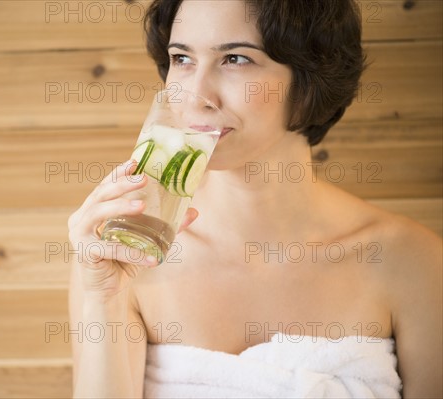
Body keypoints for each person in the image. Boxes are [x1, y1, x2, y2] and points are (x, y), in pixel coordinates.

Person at [68, 0, 442, 397]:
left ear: (310, 80)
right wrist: (102, 298)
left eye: (235, 59)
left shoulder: (412, 261)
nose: (197, 96)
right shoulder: (126, 253)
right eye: (182, 58)